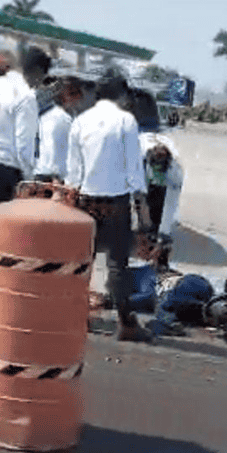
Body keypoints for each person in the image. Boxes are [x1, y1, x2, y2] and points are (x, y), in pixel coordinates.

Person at [65, 73, 153, 342]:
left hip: (85, 200)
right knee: (117, 265)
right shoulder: (125, 121)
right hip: (116, 202)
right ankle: (126, 323)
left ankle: (78, 318)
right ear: (122, 96)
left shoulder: (80, 121)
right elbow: (134, 170)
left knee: (83, 262)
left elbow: (73, 171)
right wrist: (143, 211)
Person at [0, 46, 51, 302]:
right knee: (6, 233)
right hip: (4, 169)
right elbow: (24, 146)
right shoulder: (26, 97)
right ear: (36, 72)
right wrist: (29, 179)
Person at [34, 76, 95, 182]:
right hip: (53, 180)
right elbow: (57, 161)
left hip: (44, 175)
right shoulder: (61, 119)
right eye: (75, 93)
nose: (80, 97)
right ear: (63, 96)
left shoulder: (50, 116)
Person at [139, 131, 184, 269]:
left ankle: (154, 232)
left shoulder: (176, 171)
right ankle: (146, 233)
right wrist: (145, 224)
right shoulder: (138, 158)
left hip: (163, 176)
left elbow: (171, 202)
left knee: (159, 203)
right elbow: (139, 195)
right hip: (139, 161)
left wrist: (164, 234)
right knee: (145, 203)